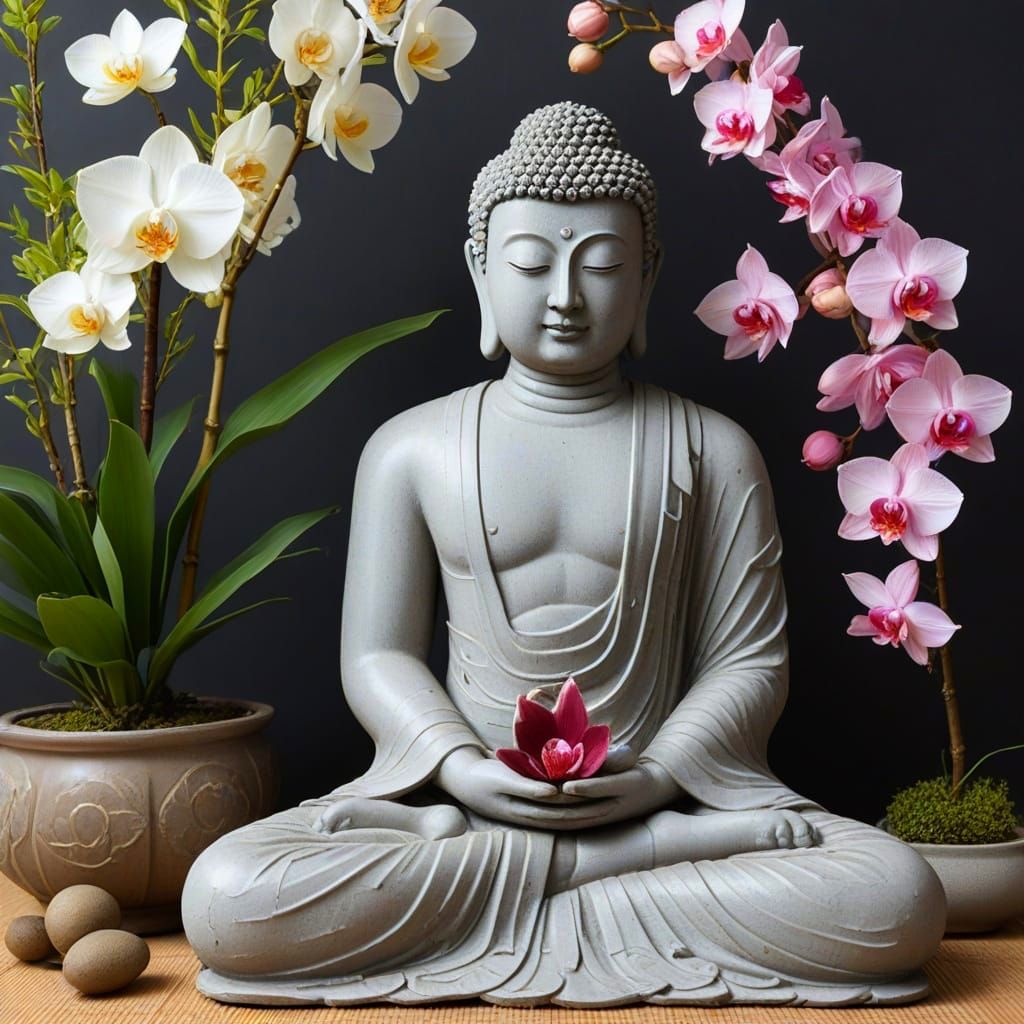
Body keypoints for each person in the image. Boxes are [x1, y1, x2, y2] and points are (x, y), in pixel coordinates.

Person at [182, 102, 945, 1008]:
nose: (565, 297)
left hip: (663, 803)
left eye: (605, 267)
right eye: (533, 264)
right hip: (464, 812)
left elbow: (747, 663)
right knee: (230, 894)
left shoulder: (711, 448)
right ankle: (607, 872)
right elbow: (379, 656)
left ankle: (580, 872)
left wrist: (660, 778)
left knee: (894, 895)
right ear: (481, 269)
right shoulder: (411, 449)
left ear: (648, 275)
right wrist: (461, 767)